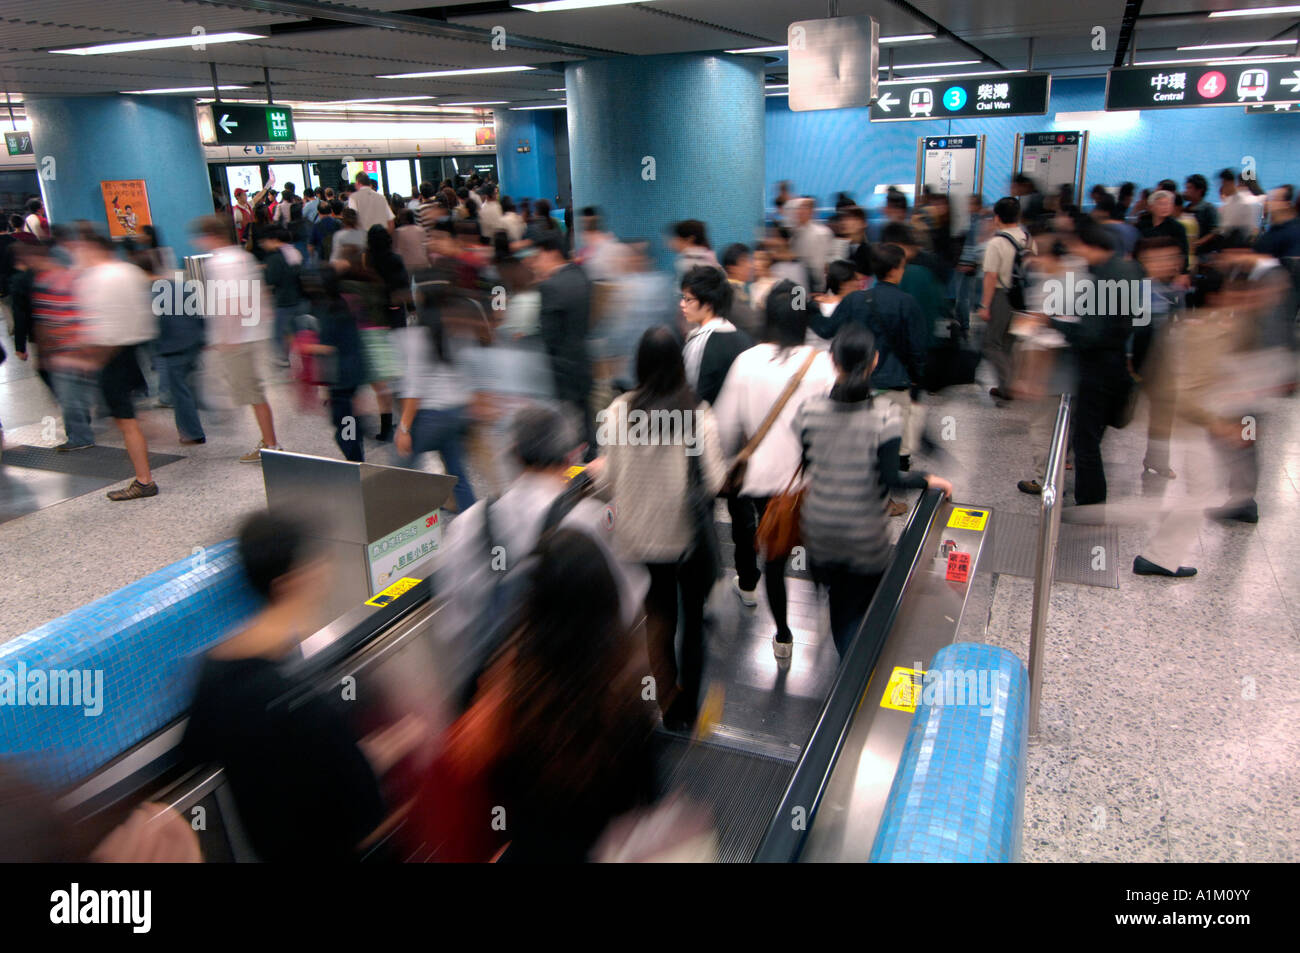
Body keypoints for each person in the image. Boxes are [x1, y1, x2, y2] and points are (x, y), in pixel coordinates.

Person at [181, 512, 388, 861]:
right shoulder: (305, 703)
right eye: (314, 561)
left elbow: (194, 751)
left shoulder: (213, 672)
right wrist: (382, 753)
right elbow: (365, 813)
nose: (324, 568)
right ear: (290, 582)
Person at [596, 327, 726, 731]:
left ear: (640, 364)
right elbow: (717, 482)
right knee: (692, 618)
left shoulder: (619, 411)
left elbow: (607, 482)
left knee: (658, 616)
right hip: (685, 538)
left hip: (638, 536)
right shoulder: (697, 414)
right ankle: (687, 708)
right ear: (678, 364)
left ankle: (666, 700)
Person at [797, 323, 953, 654]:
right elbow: (890, 478)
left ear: (832, 360)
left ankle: (848, 669)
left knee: (840, 610)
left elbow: (810, 463)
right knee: (861, 616)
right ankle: (854, 687)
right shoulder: (884, 415)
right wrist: (926, 479)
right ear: (875, 361)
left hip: (820, 530)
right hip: (864, 535)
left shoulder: (808, 410)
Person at [712, 281, 837, 657]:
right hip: (810, 480)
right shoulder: (824, 365)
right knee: (815, 547)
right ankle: (822, 607)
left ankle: (783, 636)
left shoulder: (746, 362)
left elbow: (722, 427)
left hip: (762, 482)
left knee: (775, 557)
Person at [822, 243, 928, 501]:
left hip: (857, 382)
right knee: (897, 444)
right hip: (895, 382)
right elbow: (918, 350)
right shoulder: (907, 303)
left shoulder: (854, 299)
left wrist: (812, 306)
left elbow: (827, 330)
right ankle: (889, 498)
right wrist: (918, 383)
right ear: (895, 270)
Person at [1053, 221, 1144, 507]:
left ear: (1090, 246)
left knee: (1086, 441)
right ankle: (1091, 498)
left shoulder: (1103, 279)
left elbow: (1089, 335)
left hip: (1096, 369)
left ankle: (1090, 501)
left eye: (1079, 247)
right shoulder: (1129, 269)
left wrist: (1055, 324)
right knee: (1094, 435)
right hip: (1116, 363)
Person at [73, 228, 160, 500]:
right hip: (131, 351)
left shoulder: (98, 278)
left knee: (126, 421)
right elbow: (145, 316)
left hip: (110, 357)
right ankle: (145, 471)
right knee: (127, 419)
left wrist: (93, 359)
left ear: (92, 248)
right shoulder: (129, 270)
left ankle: (144, 481)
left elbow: (100, 325)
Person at [192, 215, 283, 462]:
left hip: (239, 339)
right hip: (251, 334)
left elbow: (232, 303)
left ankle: (271, 445)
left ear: (210, 236)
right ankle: (269, 441)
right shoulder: (243, 256)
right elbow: (261, 295)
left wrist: (227, 338)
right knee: (254, 392)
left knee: (251, 392)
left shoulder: (221, 263)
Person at [393, 288, 477, 513]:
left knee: (395, 473)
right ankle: (474, 522)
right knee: (457, 474)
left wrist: (403, 428)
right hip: (458, 412)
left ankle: (392, 523)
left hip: (432, 417)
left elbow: (413, 387)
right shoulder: (458, 331)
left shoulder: (418, 335)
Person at [531, 234, 597, 459]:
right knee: (587, 420)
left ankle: (571, 471)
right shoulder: (582, 276)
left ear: (551, 253)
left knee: (566, 428)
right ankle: (591, 462)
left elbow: (549, 337)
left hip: (561, 370)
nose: (535, 261)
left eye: (538, 255)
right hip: (583, 360)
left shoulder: (550, 286)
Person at [136, 253, 206, 446]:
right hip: (193, 341)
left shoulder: (148, 294)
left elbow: (154, 325)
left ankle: (192, 433)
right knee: (190, 385)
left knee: (180, 392)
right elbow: (197, 311)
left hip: (171, 347)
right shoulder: (180, 285)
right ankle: (206, 416)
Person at [976, 196, 1037, 403]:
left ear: (997, 217)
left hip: (1002, 296)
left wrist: (984, 305)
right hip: (1024, 298)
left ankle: (1008, 384)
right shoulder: (1028, 239)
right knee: (1009, 343)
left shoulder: (997, 242)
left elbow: (991, 276)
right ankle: (1006, 385)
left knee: (991, 344)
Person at [679, 265, 753, 405]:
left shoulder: (698, 343)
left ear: (708, 303)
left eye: (688, 299)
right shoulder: (744, 339)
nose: (682, 304)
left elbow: (691, 395)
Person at [260, 227, 307, 367]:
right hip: (300, 297)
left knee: (279, 332)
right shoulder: (295, 252)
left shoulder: (274, 258)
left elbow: (271, 279)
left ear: (274, 240)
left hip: (283, 299)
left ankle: (283, 358)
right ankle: (304, 356)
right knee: (298, 329)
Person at [789, 197, 835, 293]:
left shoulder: (822, 233)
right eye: (797, 208)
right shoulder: (793, 233)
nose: (799, 212)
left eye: (804, 208)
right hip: (796, 283)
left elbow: (819, 265)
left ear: (812, 211)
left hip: (814, 283)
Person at [1138, 190, 1190, 272]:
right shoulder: (1141, 225)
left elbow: (1183, 252)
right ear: (1151, 207)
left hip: (1168, 268)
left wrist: (1183, 273)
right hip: (1145, 267)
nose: (1165, 207)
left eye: (1169, 204)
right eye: (1161, 204)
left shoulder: (1177, 227)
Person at [720, 242, 761, 339]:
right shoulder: (731, 293)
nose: (750, 266)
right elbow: (753, 324)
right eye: (744, 261)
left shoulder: (739, 289)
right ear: (731, 268)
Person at [1254, 185, 1300, 259]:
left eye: (1272, 199)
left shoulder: (1293, 233)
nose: (1266, 203)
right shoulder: (1274, 229)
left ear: (1286, 204)